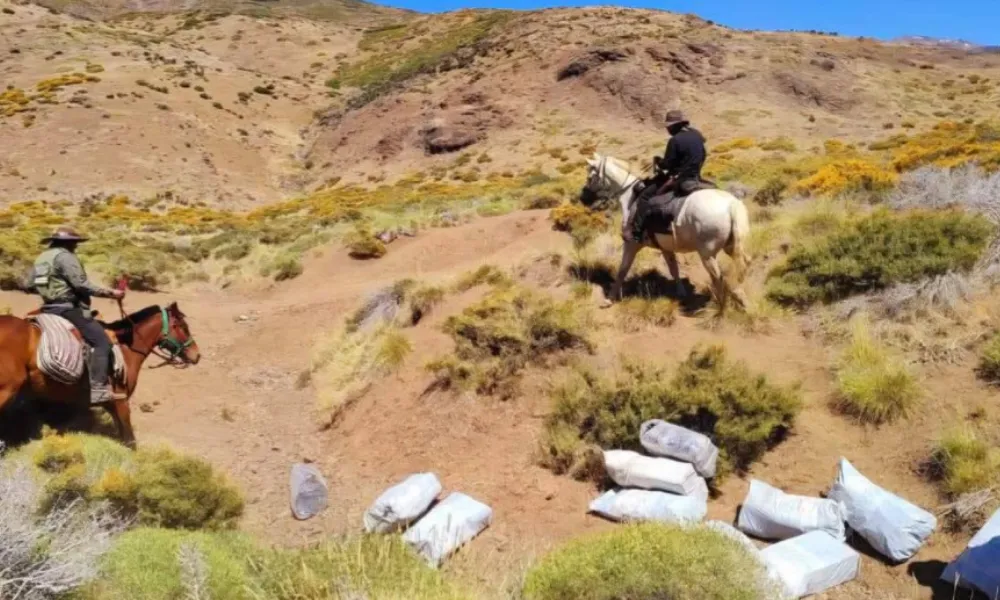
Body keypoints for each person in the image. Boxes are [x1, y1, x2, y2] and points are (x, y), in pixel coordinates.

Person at [27, 227, 126, 405]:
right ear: (68, 243)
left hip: (48, 307)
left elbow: (28, 284)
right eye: (74, 243)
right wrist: (111, 293)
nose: (76, 247)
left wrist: (50, 290)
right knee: (101, 341)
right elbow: (81, 285)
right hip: (68, 308)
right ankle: (98, 389)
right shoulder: (65, 257)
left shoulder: (41, 258)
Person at [626, 110, 708, 243]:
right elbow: (703, 154)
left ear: (675, 125)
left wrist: (659, 162)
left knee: (645, 196)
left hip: (680, 178)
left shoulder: (675, 140)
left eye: (669, 126)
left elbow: (668, 164)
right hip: (696, 176)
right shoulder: (697, 134)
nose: (668, 129)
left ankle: (637, 232)